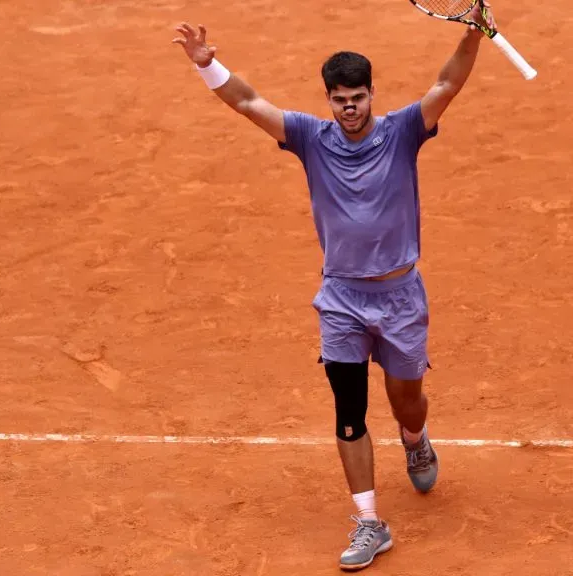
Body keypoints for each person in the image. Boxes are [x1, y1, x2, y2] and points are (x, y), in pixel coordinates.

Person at [173, 3, 494, 570]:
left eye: (359, 97)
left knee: (406, 399)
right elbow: (249, 102)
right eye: (340, 99)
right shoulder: (309, 137)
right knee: (349, 410)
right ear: (329, 99)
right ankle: (371, 522)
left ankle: (415, 437)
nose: (350, 108)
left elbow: (447, 82)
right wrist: (207, 66)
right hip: (341, 299)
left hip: (399, 299)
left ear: (372, 94)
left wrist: (472, 33)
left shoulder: (402, 132)